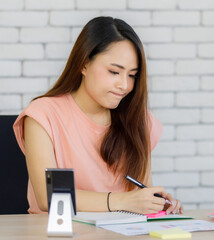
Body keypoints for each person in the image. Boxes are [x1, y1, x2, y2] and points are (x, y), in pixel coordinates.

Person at [13, 16, 183, 215]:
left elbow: (141, 192)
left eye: (132, 75)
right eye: (114, 72)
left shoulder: (139, 119)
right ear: (84, 64)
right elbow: (49, 196)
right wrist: (125, 201)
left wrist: (153, 203)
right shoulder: (43, 115)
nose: (125, 85)